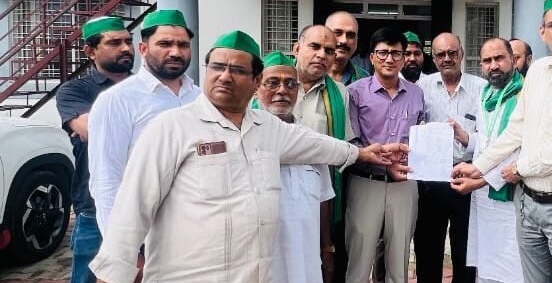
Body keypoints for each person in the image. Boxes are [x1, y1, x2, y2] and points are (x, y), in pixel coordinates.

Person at [89, 30, 405, 283]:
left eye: (238, 70)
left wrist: (363, 152)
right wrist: (114, 273)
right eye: (217, 67)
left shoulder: (268, 128)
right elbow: (132, 207)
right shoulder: (172, 128)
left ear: (253, 81)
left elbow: (319, 145)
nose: (225, 77)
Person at [453, 0, 552, 283]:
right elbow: (517, 128)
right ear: (542, 32)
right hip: (527, 204)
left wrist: (519, 168)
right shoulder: (537, 71)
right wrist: (479, 167)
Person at [88, 9, 200, 233]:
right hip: (146, 233)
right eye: (165, 44)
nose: (175, 52)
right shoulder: (117, 100)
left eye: (183, 45)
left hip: (197, 229)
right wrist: (122, 246)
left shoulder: (200, 97)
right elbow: (106, 179)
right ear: (143, 49)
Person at [56, 17, 134, 283]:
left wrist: (107, 126)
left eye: (128, 41)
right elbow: (93, 131)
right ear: (90, 51)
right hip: (94, 206)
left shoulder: (147, 88)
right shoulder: (74, 91)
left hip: (144, 203)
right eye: (115, 43)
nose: (126, 48)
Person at [345, 27, 425, 283]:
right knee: (359, 261)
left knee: (398, 261)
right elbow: (353, 141)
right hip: (366, 183)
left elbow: (421, 136)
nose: (389, 59)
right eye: (383, 53)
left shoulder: (416, 93)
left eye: (396, 53)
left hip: (405, 184)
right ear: (371, 57)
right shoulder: (355, 92)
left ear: (403, 58)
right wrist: (382, 161)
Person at [253, 50, 334, 283]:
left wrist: (327, 248)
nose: (282, 90)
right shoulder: (244, 138)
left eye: (290, 84)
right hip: (262, 259)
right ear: (256, 87)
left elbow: (323, 198)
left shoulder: (311, 140)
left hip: (306, 257)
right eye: (272, 83)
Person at [450, 38, 524, 283]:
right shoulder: (487, 94)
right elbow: (486, 140)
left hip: (509, 194)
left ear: (513, 59)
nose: (493, 65)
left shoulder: (524, 95)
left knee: (512, 266)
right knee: (487, 268)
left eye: (499, 58)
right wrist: (465, 137)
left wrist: (481, 180)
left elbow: (520, 149)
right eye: (487, 60)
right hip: (482, 198)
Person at [415, 32, 486, 283]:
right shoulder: (420, 88)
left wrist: (465, 137)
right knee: (427, 247)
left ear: (461, 54)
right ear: (433, 58)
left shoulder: (482, 89)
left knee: (465, 248)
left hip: (466, 176)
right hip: (430, 180)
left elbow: (488, 137)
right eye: (441, 54)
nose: (447, 58)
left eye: (452, 53)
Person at [291, 25, 358, 283]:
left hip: (320, 195)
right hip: (277, 191)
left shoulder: (339, 92)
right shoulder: (276, 83)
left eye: (329, 51)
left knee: (322, 265)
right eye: (314, 47)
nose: (322, 55)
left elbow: (342, 145)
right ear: (297, 48)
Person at [326, 11, 369, 85]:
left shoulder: (364, 79)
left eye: (351, 35)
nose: (344, 41)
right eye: (338, 33)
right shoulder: (307, 75)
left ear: (356, 41)